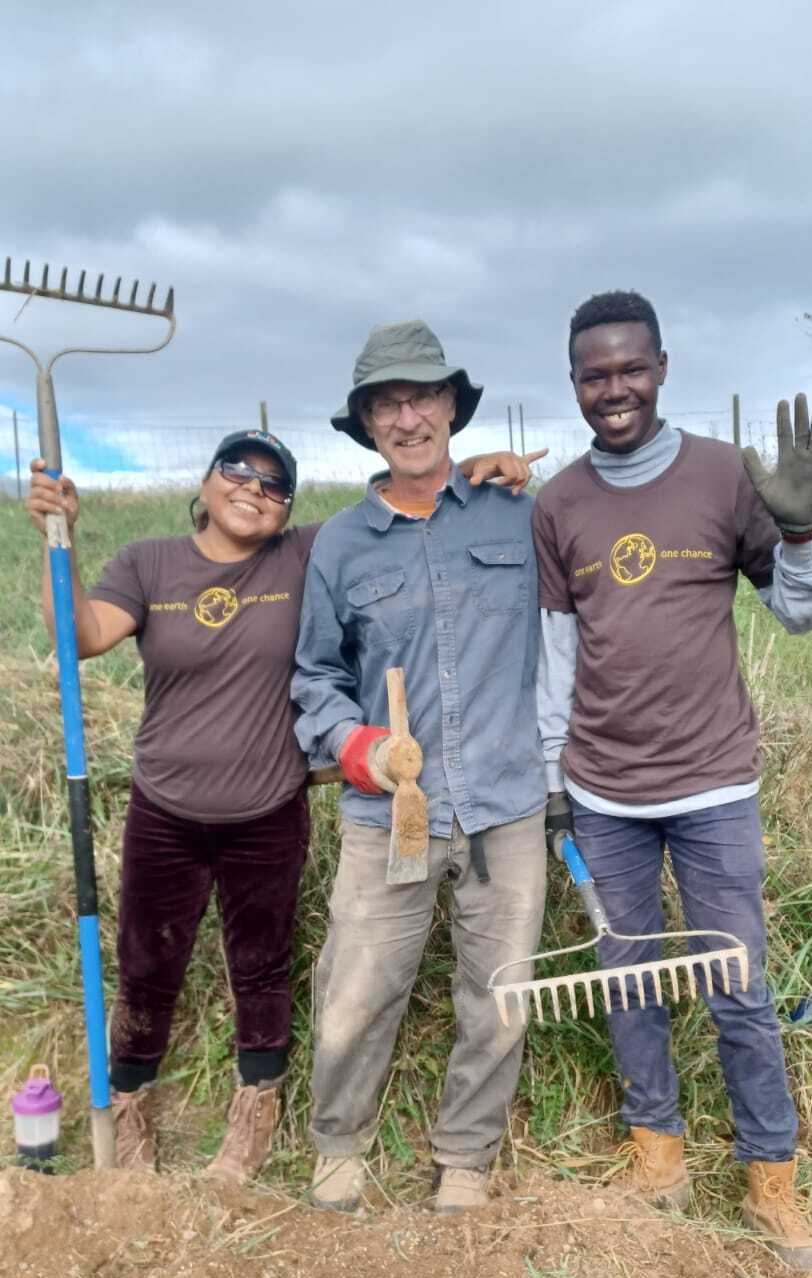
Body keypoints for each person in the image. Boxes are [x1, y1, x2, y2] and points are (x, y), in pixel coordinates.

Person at [27, 432, 533, 1182]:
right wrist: (53, 544)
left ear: (287, 507)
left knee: (260, 967)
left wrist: (479, 471)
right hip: (165, 805)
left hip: (266, 807)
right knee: (145, 962)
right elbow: (82, 636)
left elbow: (407, 508)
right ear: (204, 481)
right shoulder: (149, 562)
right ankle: (129, 1105)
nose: (253, 490)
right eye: (237, 471)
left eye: (274, 485)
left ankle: (254, 1109)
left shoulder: (304, 553)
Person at [534, 289, 812, 1273]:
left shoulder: (723, 475)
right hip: (606, 794)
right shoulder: (561, 504)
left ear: (661, 367)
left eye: (630, 368)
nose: (613, 388)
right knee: (627, 976)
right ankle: (657, 1157)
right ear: (575, 383)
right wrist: (555, 779)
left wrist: (800, 535)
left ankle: (771, 1181)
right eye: (595, 374)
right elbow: (557, 651)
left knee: (737, 983)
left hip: (712, 786)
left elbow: (799, 613)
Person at [292, 319, 548, 1214]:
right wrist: (357, 748)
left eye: (423, 396)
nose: (408, 417)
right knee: (357, 990)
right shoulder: (341, 545)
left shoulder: (517, 512)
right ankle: (338, 1145)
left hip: (505, 809)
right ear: (366, 423)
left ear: (451, 407)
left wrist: (530, 470)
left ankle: (466, 1160)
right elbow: (316, 677)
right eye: (386, 403)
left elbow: (596, 583)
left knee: (499, 994)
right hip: (387, 813)